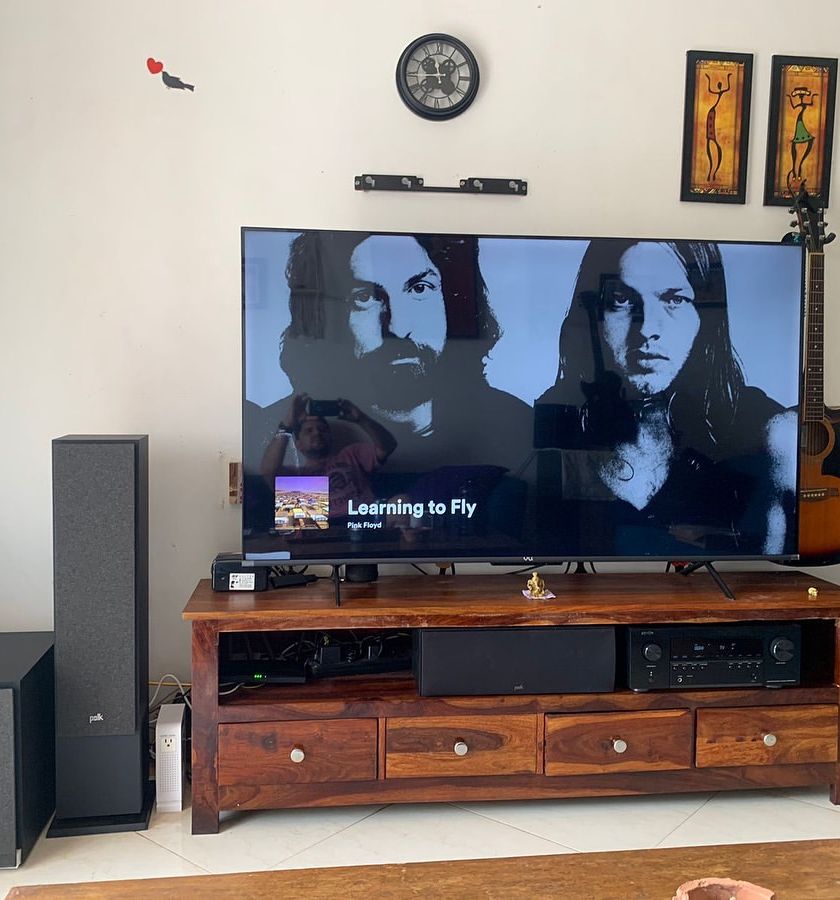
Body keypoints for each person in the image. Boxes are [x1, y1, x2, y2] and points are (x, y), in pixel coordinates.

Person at [534, 238, 797, 558]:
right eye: (621, 300)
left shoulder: (767, 429)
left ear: (705, 317)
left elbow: (773, 559)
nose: (647, 329)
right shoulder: (560, 418)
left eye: (673, 299)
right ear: (593, 315)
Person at [245, 230, 533, 476]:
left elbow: (386, 450)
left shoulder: (513, 422)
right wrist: (287, 428)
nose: (398, 327)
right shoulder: (301, 467)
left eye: (420, 288)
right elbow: (283, 496)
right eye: (365, 297)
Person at [260, 394, 397, 521]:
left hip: (363, 521)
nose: (317, 433)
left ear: (331, 438)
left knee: (401, 501)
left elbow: (388, 446)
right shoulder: (296, 475)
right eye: (309, 431)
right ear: (298, 444)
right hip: (320, 527)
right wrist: (287, 425)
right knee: (293, 504)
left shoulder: (351, 454)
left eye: (322, 429)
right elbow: (268, 471)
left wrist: (361, 419)